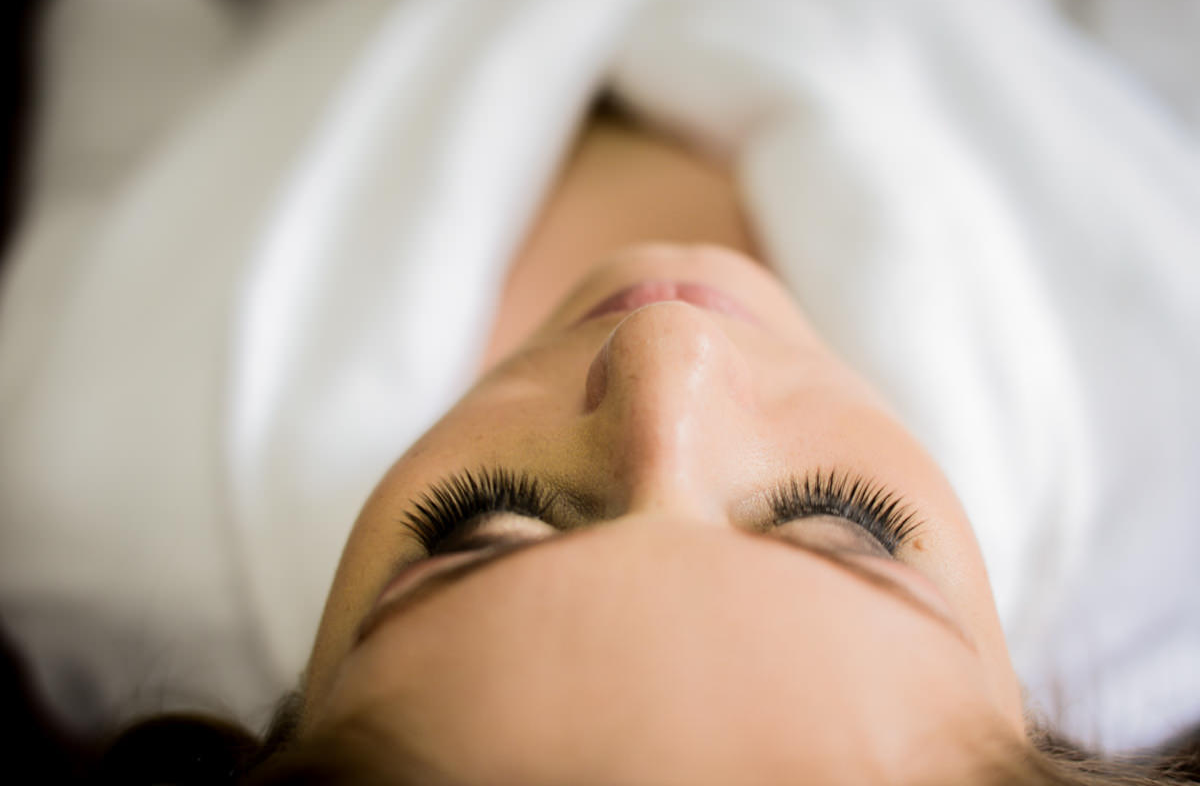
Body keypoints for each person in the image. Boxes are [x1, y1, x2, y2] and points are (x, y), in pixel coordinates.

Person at [88, 105, 1200, 785]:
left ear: (280, 719)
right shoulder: (1164, 373)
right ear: (1041, 716)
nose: (670, 348)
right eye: (841, 523)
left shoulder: (96, 430)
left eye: (481, 525)